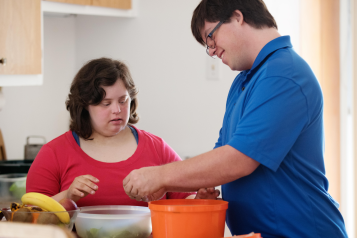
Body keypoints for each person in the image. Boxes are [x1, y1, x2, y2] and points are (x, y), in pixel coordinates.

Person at [123, 0, 348, 237]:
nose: (211, 50)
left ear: (237, 17)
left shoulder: (284, 74)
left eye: (211, 37)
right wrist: (200, 187)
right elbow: (223, 151)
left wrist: (161, 177)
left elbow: (239, 160)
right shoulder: (245, 81)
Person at [26, 58, 219, 207]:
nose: (117, 110)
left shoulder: (157, 147)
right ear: (84, 106)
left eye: (123, 100)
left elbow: (184, 201)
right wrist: (67, 196)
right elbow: (29, 216)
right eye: (106, 103)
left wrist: (199, 199)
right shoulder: (54, 153)